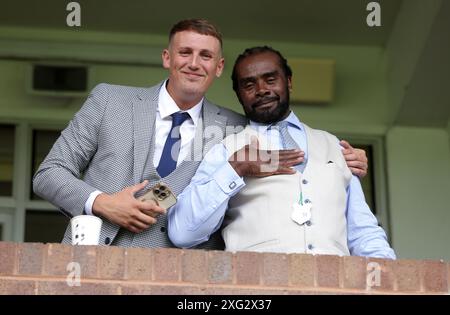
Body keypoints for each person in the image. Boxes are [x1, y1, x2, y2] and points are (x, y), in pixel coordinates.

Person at [33, 19, 367, 249]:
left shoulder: (236, 129)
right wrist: (103, 203)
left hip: (182, 278)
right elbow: (48, 174)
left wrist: (343, 157)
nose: (194, 63)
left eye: (206, 55)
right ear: (167, 58)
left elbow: (287, 146)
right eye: (185, 52)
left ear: (218, 68)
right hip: (92, 262)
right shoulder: (110, 101)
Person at [168, 46, 395, 259]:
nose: (261, 90)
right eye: (249, 85)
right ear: (238, 94)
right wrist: (235, 168)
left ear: (288, 81)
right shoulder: (227, 150)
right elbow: (182, 233)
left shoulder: (334, 146)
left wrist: (388, 279)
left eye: (270, 79)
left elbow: (363, 232)